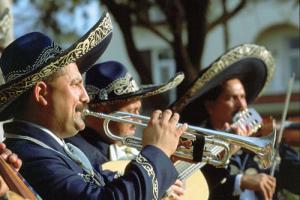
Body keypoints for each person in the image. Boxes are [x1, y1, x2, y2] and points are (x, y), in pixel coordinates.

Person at [0, 12, 187, 200]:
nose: (86, 96)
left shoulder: (55, 148)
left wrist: (161, 176)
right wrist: (157, 152)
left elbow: (108, 186)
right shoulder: (30, 154)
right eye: (75, 84)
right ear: (41, 94)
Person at [170, 44, 277, 200]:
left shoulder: (256, 140)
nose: (242, 105)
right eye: (231, 98)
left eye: (243, 97)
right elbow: (195, 186)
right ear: (210, 106)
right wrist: (240, 180)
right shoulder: (193, 141)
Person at [66, 61, 186, 199]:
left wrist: (169, 164)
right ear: (103, 112)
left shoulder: (116, 144)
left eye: (138, 110)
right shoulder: (76, 152)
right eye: (132, 111)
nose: (138, 120)